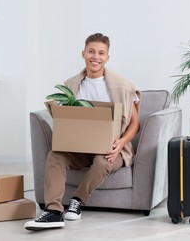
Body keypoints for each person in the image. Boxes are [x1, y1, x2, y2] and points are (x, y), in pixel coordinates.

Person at [24, 33, 141, 230]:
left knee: (103, 160)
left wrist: (120, 143)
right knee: (56, 156)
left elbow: (134, 124)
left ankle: (77, 200)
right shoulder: (71, 85)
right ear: (83, 53)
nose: (96, 57)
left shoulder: (123, 86)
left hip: (113, 149)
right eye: (92, 52)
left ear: (107, 57)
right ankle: (53, 211)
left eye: (101, 53)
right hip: (80, 148)